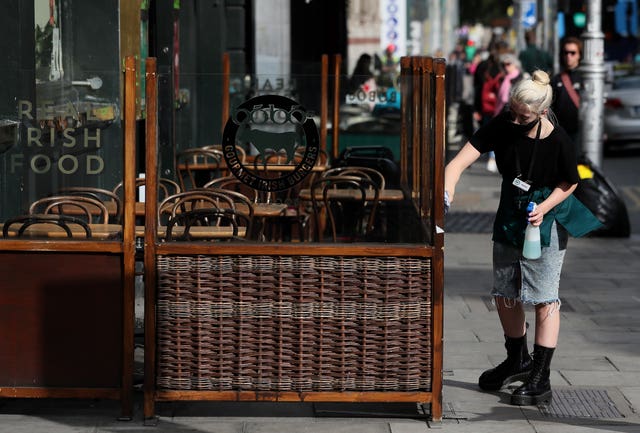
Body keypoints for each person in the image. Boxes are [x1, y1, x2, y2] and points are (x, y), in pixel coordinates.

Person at [444, 70, 602, 406]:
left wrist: (544, 207)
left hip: (544, 216)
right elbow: (458, 163)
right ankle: (517, 359)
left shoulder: (559, 140)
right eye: (512, 112)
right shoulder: (503, 124)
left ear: (542, 112)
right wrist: (447, 189)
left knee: (545, 296)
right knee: (505, 291)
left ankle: (540, 376)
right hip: (510, 214)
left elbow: (569, 183)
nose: (515, 120)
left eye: (523, 116)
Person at [551, 37, 583, 147]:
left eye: (573, 53)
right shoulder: (556, 79)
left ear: (579, 55)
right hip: (561, 131)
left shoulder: (585, 78)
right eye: (566, 52)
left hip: (581, 131)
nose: (568, 56)